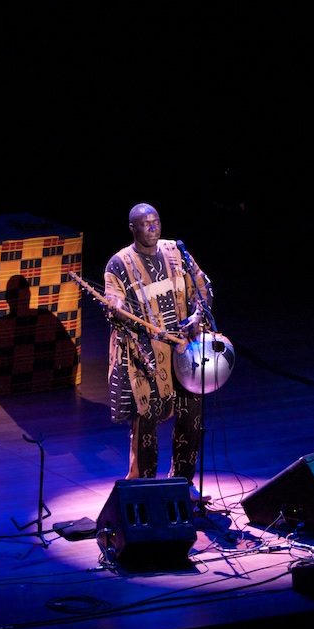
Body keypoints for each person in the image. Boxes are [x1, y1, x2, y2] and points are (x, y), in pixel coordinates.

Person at [103, 203, 213, 485]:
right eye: (145, 223)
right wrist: (114, 306)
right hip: (146, 358)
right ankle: (146, 487)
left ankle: (182, 483)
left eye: (156, 222)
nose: (152, 228)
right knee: (146, 424)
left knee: (191, 419)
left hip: (184, 352)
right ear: (132, 228)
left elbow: (202, 288)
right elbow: (113, 299)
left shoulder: (177, 252)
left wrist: (197, 317)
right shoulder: (119, 263)